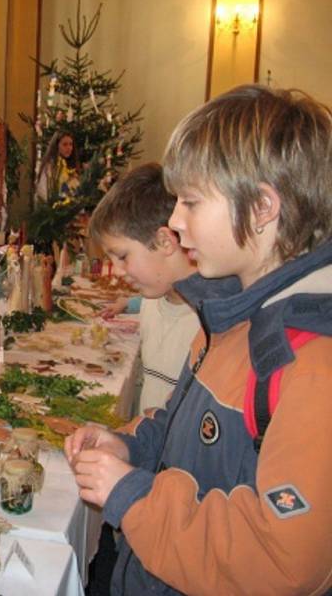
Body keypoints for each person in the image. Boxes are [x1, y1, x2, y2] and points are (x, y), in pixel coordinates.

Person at [66, 85, 332, 594]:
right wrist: (131, 448)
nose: (173, 221)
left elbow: (284, 563)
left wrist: (134, 495)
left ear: (260, 208)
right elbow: (184, 433)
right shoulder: (229, 316)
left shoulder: (311, 363)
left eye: (190, 201)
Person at [89, 162, 198, 413]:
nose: (116, 272)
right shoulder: (151, 301)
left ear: (164, 242)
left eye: (123, 257)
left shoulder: (208, 324)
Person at [35, 131, 80, 204]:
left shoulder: (72, 166)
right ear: (56, 146)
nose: (69, 148)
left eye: (71, 144)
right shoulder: (49, 166)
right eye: (65, 144)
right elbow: (43, 191)